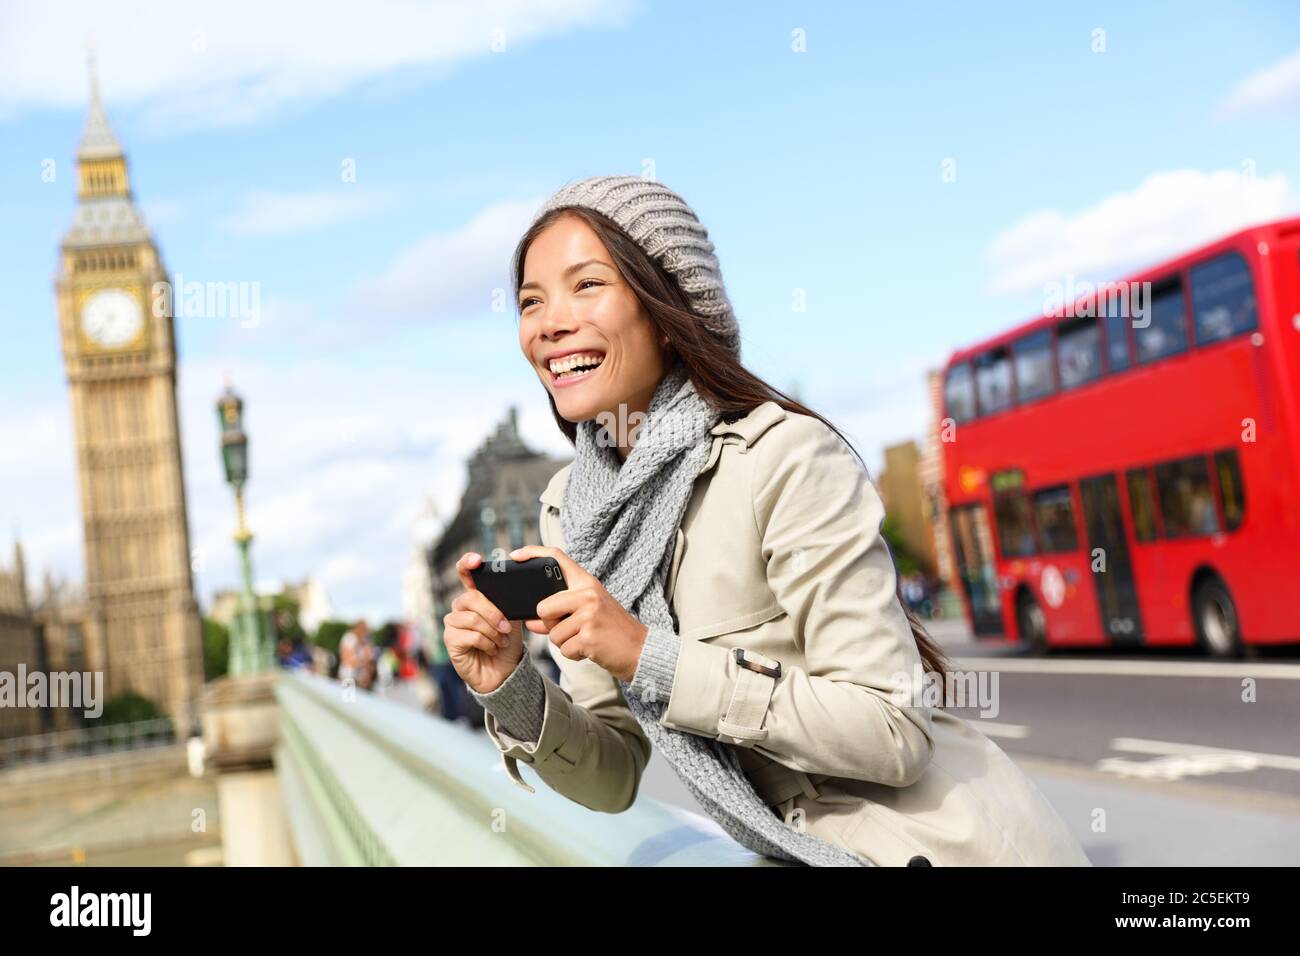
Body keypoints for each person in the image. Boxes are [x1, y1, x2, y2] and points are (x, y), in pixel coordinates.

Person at [442, 176, 1090, 867]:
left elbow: (893, 730)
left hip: (941, 846)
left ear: (666, 308)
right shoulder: (573, 512)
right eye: (530, 302)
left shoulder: (783, 457)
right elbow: (613, 778)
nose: (549, 322)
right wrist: (510, 686)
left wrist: (645, 654)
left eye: (587, 285)